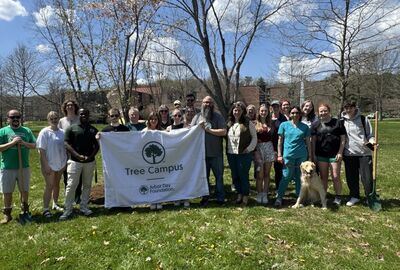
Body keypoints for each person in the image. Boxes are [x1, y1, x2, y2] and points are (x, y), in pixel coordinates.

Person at [60, 109, 99, 220]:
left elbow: (97, 146)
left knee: (87, 185)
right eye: (81, 114)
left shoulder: (93, 130)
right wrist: (77, 156)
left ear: (88, 115)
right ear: (78, 115)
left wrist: (91, 156)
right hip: (74, 162)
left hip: (89, 162)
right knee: (71, 185)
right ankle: (68, 209)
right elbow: (66, 144)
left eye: (86, 114)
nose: (84, 116)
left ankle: (84, 207)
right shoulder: (71, 128)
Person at [0, 110, 36, 224]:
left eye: (18, 117)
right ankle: (7, 215)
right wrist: (13, 143)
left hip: (23, 167)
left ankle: (25, 210)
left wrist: (24, 143)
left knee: (24, 190)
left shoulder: (27, 131)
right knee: (7, 192)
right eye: (12, 117)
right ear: (8, 119)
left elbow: (34, 145)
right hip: (7, 167)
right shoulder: (3, 131)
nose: (15, 119)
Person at [191, 96, 227, 205]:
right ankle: (205, 197)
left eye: (209, 102)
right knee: (204, 177)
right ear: (202, 103)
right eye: (205, 102)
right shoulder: (197, 117)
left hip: (216, 153)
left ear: (213, 105)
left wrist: (208, 130)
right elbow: (190, 132)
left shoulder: (218, 117)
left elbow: (223, 132)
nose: (207, 104)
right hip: (202, 155)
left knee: (219, 177)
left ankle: (220, 197)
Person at [341, 100, 376, 207]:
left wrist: (372, 142)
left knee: (367, 178)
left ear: (355, 107)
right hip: (349, 153)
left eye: (350, 107)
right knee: (351, 177)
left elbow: (370, 135)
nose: (348, 110)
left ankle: (369, 196)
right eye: (346, 108)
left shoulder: (363, 119)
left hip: (364, 153)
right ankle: (354, 196)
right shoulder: (342, 121)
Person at [275, 106, 311, 207]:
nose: (295, 115)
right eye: (292, 113)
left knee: (300, 177)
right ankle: (279, 197)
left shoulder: (305, 127)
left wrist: (310, 156)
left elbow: (308, 142)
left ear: (300, 114)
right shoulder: (284, 125)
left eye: (297, 113)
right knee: (286, 176)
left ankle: (300, 198)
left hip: (302, 155)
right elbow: (280, 141)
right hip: (288, 155)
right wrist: (279, 154)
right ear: (290, 114)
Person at [311, 103, 346, 205]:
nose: (323, 113)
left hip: (334, 155)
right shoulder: (315, 125)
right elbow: (313, 141)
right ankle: (323, 196)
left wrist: (340, 152)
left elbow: (343, 139)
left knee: (335, 176)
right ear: (318, 112)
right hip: (321, 155)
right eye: (321, 111)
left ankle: (338, 197)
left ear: (329, 111)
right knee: (323, 177)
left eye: (325, 110)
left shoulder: (337, 123)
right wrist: (313, 155)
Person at [37, 111, 68, 218]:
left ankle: (55, 203)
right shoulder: (44, 132)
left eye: (56, 118)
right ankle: (45, 209)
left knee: (56, 184)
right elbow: (41, 150)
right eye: (51, 119)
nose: (54, 120)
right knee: (49, 185)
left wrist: (65, 163)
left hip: (61, 163)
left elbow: (66, 148)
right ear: (48, 120)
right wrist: (45, 165)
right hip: (49, 164)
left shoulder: (63, 132)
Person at [226, 102, 257, 206]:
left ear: (243, 111)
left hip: (244, 154)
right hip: (231, 153)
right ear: (232, 111)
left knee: (243, 175)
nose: (237, 112)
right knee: (235, 175)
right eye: (235, 110)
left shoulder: (248, 123)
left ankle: (245, 196)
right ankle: (239, 194)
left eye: (239, 110)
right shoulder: (229, 123)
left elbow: (254, 138)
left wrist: (249, 149)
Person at [58, 99, 81, 201]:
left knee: (79, 174)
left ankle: (77, 196)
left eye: (72, 105)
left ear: (75, 107)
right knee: (67, 174)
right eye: (68, 105)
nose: (70, 107)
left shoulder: (79, 119)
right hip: (66, 151)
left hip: (78, 150)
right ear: (65, 108)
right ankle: (69, 196)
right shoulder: (61, 121)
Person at [166, 108, 190, 208]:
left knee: (184, 177)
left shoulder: (186, 127)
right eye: (175, 115)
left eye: (179, 115)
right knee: (174, 178)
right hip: (173, 157)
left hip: (183, 156)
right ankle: (176, 197)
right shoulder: (169, 128)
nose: (177, 117)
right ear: (172, 117)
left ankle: (185, 197)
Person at [254, 103, 277, 204]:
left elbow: (275, 138)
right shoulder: (254, 123)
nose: (264, 112)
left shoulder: (272, 123)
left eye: (266, 111)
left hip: (269, 148)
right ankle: (259, 193)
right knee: (260, 174)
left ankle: (265, 193)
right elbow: (252, 139)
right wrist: (255, 152)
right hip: (258, 149)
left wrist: (276, 151)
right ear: (259, 112)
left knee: (267, 174)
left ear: (268, 112)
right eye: (262, 111)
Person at [142, 112, 163, 210]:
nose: (153, 121)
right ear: (149, 120)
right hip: (147, 162)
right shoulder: (144, 132)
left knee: (159, 181)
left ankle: (159, 200)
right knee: (150, 181)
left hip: (160, 162)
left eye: (155, 119)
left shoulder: (162, 132)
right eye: (151, 119)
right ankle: (152, 201)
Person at [271, 100, 287, 192]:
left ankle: (278, 188)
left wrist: (279, 150)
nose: (275, 108)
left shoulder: (283, 119)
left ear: (279, 107)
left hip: (279, 146)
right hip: (268, 146)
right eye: (273, 106)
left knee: (278, 169)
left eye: (277, 106)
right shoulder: (268, 117)